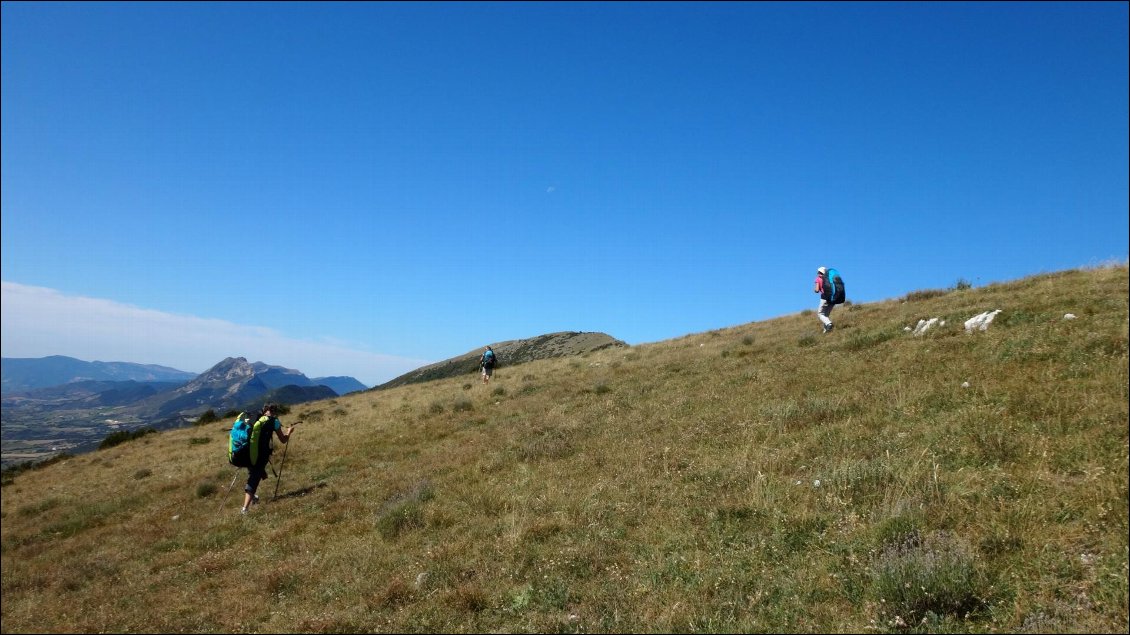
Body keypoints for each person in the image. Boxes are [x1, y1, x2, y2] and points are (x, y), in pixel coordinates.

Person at [241, 403, 293, 514]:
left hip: (246, 452)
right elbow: (283, 440)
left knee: (253, 474)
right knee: (254, 478)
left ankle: (253, 498)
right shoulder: (274, 421)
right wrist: (289, 432)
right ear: (274, 411)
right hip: (260, 455)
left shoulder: (254, 418)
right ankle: (245, 509)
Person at [813, 266, 835, 333]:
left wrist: (815, 289)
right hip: (833, 298)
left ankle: (829, 324)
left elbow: (816, 290)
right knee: (825, 315)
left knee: (820, 314)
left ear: (819, 272)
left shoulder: (818, 279)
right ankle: (826, 331)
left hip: (824, 298)